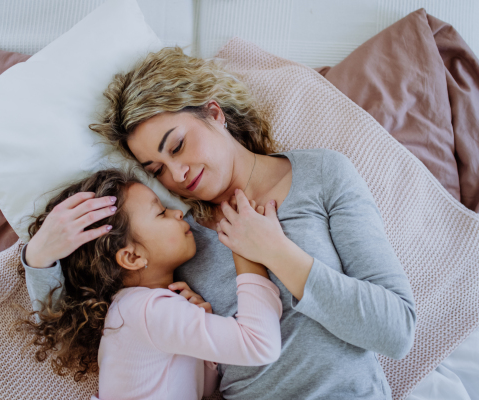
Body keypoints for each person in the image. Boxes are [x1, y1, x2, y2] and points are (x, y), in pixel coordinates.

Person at [30, 47, 416, 399]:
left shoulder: (321, 174)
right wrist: (41, 255)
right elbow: (86, 316)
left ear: (215, 114)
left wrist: (276, 253)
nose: (177, 175)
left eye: (178, 145)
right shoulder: (177, 238)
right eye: (156, 169)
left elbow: (396, 332)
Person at [16, 168, 283, 400]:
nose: (179, 213)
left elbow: (201, 388)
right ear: (132, 256)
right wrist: (247, 251)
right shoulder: (144, 310)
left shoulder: (133, 311)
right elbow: (260, 344)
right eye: (161, 212)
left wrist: (203, 328)